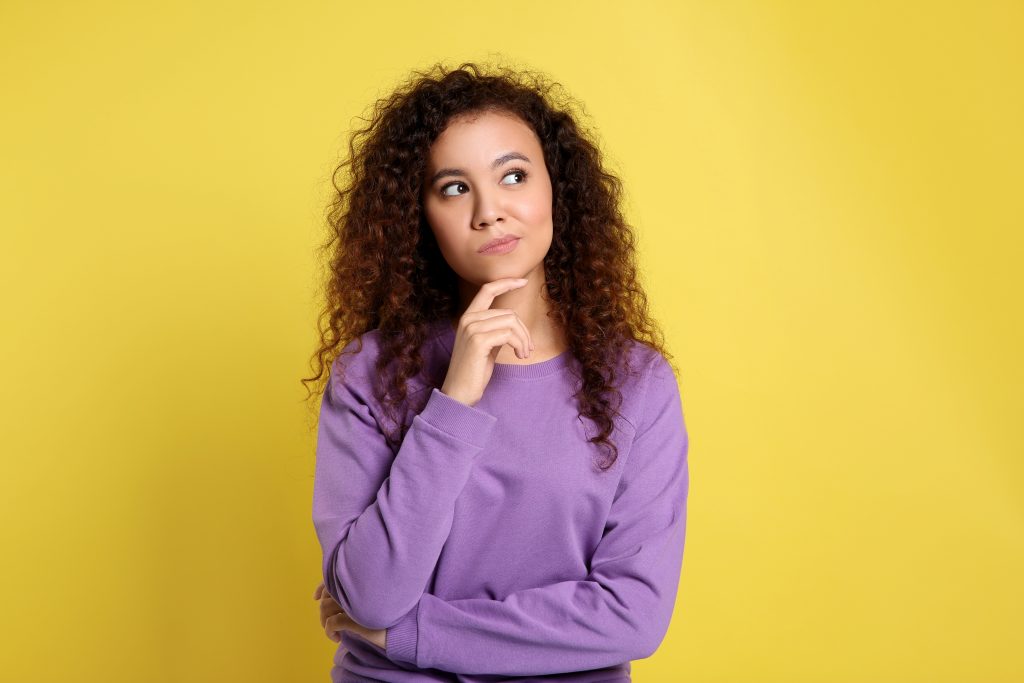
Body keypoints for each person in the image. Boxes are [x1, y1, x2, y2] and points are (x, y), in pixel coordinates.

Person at [305, 61, 690, 682]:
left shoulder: (636, 383)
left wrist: (408, 634)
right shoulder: (369, 373)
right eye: (454, 188)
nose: (489, 211)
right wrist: (454, 400)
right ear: (418, 216)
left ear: (555, 190)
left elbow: (633, 615)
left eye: (513, 176)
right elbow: (371, 594)